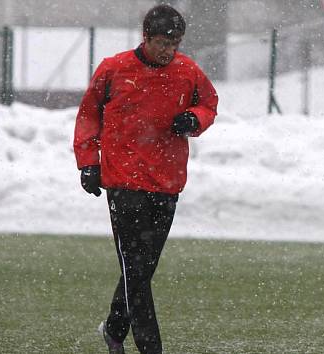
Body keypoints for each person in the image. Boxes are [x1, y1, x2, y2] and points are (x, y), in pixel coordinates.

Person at [73, 5, 218, 354]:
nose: (168, 50)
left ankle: (113, 327)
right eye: (162, 43)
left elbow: (210, 104)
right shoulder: (114, 68)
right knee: (136, 271)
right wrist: (88, 162)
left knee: (142, 270)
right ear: (146, 37)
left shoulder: (188, 71)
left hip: (166, 182)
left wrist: (195, 119)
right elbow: (89, 115)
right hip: (123, 183)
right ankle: (151, 347)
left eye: (175, 43)